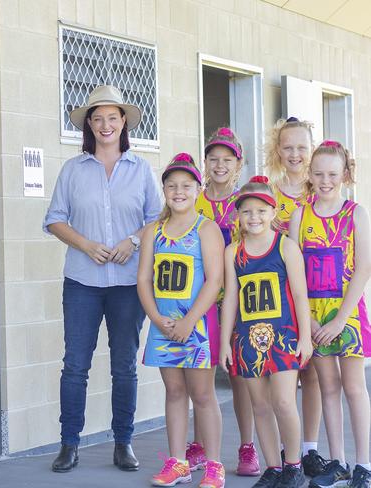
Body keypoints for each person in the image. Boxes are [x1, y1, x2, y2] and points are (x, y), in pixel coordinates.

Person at [43, 85, 163, 473]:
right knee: (75, 365)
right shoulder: (73, 169)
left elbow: (157, 220)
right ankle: (69, 444)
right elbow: (54, 218)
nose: (105, 125)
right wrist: (85, 244)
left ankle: (123, 443)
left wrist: (133, 241)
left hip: (129, 283)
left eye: (113, 117)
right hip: (82, 282)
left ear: (123, 121)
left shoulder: (141, 168)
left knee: (124, 366)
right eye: (98, 118)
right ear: (89, 125)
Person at [138, 155, 225, 488]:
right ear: (163, 190)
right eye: (172, 185)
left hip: (197, 326)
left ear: (198, 189)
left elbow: (214, 280)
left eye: (186, 185)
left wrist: (189, 320)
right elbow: (144, 280)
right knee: (174, 391)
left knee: (202, 395)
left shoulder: (206, 228)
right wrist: (157, 318)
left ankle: (214, 464)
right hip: (163, 326)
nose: (178, 191)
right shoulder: (152, 232)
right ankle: (178, 462)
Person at [220, 176, 313, 488]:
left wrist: (305, 338)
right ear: (238, 216)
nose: (254, 217)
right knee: (259, 405)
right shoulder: (233, 251)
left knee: (284, 402)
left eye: (261, 210)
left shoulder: (286, 247)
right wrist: (224, 344)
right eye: (247, 212)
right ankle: (273, 466)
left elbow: (300, 296)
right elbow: (231, 298)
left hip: (284, 337)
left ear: (273, 212)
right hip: (247, 340)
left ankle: (294, 464)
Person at [289, 141, 371, 488]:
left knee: (353, 386)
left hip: (346, 312)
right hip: (314, 315)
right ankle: (337, 461)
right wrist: (310, 322)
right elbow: (294, 271)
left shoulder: (356, 213)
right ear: (309, 173)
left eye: (333, 174)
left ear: (345, 175)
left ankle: (363, 465)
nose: (325, 181)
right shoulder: (299, 214)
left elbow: (364, 268)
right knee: (328, 387)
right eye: (319, 173)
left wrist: (340, 320)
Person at [190, 127, 260, 477]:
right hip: (199, 300)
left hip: (238, 301)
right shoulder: (192, 198)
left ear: (239, 164)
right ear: (205, 162)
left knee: (239, 376)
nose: (219, 165)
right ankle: (199, 445)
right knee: (198, 377)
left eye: (227, 159)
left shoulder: (246, 205)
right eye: (213, 158)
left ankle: (247, 447)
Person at [266, 117, 326, 477]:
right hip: (277, 300)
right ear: (278, 150)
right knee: (281, 379)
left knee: (313, 375)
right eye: (288, 147)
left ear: (312, 149)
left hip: (313, 296)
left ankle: (310, 449)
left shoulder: (320, 190)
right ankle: (284, 454)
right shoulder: (267, 194)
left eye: (302, 147)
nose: (295, 154)